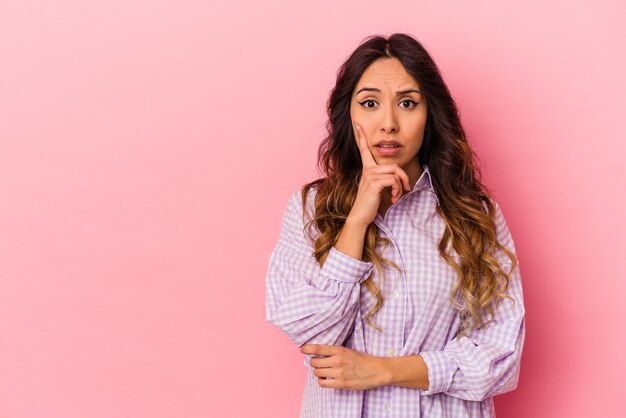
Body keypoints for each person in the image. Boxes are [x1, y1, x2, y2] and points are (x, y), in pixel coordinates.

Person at [265, 33, 525, 418]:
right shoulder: (310, 209)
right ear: (348, 116)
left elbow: (501, 357)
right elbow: (312, 337)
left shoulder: (474, 213)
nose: (388, 123)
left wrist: (382, 371)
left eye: (407, 103)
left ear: (429, 115)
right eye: (370, 103)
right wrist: (357, 220)